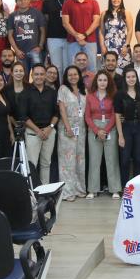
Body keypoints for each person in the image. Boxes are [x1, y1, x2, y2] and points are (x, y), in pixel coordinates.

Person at [18, 64, 59, 186]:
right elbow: (23, 116)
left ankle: (45, 190)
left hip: (49, 132)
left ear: (45, 75)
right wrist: (38, 131)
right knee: (31, 164)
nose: (39, 77)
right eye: (36, 74)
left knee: (46, 163)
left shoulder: (52, 92)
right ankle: (31, 190)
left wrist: (50, 128)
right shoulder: (25, 93)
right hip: (32, 133)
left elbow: (57, 113)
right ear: (32, 75)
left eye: (41, 74)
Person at [85, 71, 121, 198]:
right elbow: (87, 116)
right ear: (96, 81)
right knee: (94, 160)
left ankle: (115, 189)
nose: (102, 82)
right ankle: (92, 190)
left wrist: (106, 130)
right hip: (94, 128)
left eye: (105, 80)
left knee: (112, 159)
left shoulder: (113, 95)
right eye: (100, 80)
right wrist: (97, 130)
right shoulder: (90, 96)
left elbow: (114, 115)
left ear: (108, 82)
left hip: (110, 127)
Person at [56, 66, 87, 200]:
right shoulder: (63, 89)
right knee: (67, 161)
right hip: (67, 127)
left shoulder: (83, 90)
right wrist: (68, 127)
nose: (73, 77)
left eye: (75, 74)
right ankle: (68, 192)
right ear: (66, 77)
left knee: (80, 159)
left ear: (79, 76)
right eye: (70, 75)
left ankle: (79, 189)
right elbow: (62, 110)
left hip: (81, 128)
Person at [114, 67, 140, 187]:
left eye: (133, 76)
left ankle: (137, 186)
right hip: (126, 128)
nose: (131, 79)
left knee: (138, 158)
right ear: (124, 79)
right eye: (128, 77)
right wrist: (120, 136)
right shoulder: (119, 94)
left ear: (136, 78)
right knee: (125, 159)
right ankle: (125, 187)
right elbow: (117, 115)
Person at [62, 0, 101, 71]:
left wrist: (84, 35)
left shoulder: (94, 2)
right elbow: (65, 23)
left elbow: (96, 22)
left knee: (92, 68)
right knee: (73, 69)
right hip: (73, 41)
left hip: (90, 41)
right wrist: (77, 36)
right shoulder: (67, 3)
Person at [9, 0, 47, 69]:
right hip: (21, 52)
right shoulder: (12, 16)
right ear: (16, 2)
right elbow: (10, 35)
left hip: (35, 50)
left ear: (28, 0)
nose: (23, 2)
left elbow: (43, 31)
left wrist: (40, 46)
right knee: (23, 74)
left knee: (38, 72)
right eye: (20, 0)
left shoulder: (37, 13)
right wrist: (16, 50)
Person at [99, 0, 133, 70]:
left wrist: (126, 46)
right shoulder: (104, 13)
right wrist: (102, 46)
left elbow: (130, 30)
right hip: (108, 47)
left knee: (123, 71)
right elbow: (101, 31)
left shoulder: (126, 13)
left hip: (122, 47)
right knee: (108, 71)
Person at [43, 0, 71, 73]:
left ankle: (66, 84)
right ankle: (58, 84)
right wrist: (45, 40)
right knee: (56, 67)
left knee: (68, 66)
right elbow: (45, 21)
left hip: (70, 38)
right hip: (53, 38)